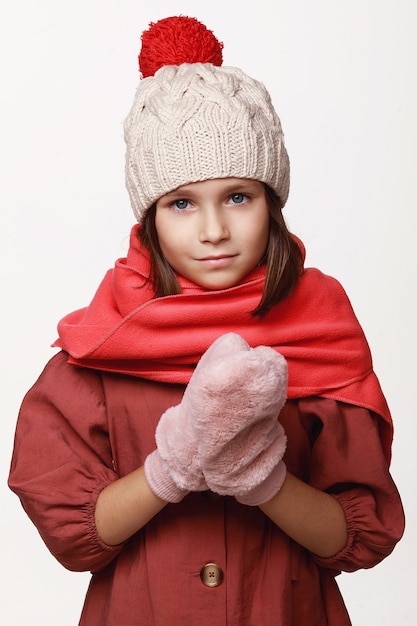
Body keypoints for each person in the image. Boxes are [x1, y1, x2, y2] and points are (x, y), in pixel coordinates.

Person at [8, 15, 404, 626]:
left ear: (272, 203)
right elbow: (74, 537)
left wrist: (262, 479)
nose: (214, 230)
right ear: (150, 217)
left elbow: (359, 538)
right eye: (182, 203)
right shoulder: (100, 348)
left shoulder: (323, 332)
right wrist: (174, 465)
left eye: (238, 197)